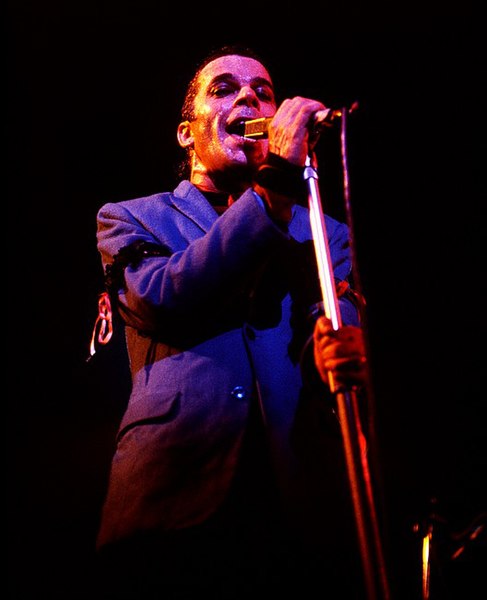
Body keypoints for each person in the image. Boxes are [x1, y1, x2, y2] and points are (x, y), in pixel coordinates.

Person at [93, 44, 370, 599]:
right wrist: (274, 188)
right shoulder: (130, 217)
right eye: (224, 89)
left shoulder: (323, 228)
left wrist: (338, 352)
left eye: (264, 91)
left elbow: (338, 336)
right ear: (186, 132)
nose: (250, 95)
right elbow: (161, 296)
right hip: (171, 497)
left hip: (296, 505)